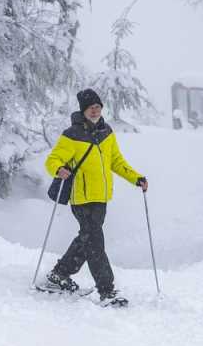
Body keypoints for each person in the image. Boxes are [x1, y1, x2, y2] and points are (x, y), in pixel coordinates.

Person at [39, 89, 147, 308]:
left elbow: (116, 161)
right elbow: (53, 159)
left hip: (101, 198)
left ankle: (58, 275)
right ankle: (107, 291)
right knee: (95, 243)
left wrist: (136, 178)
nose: (95, 111)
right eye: (91, 108)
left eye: (98, 107)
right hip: (81, 199)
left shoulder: (107, 133)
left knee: (86, 239)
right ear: (83, 110)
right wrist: (59, 169)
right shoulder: (72, 135)